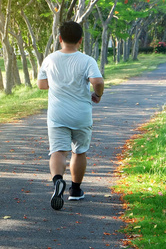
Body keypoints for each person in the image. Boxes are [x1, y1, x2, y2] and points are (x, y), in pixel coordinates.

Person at [37, 21, 104, 210]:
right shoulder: (86, 60)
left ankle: (58, 180)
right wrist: (97, 95)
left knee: (58, 151)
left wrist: (59, 83)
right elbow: (97, 81)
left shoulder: (50, 59)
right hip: (81, 114)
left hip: (57, 114)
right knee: (79, 151)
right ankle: (75, 191)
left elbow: (42, 85)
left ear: (60, 39)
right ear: (80, 40)